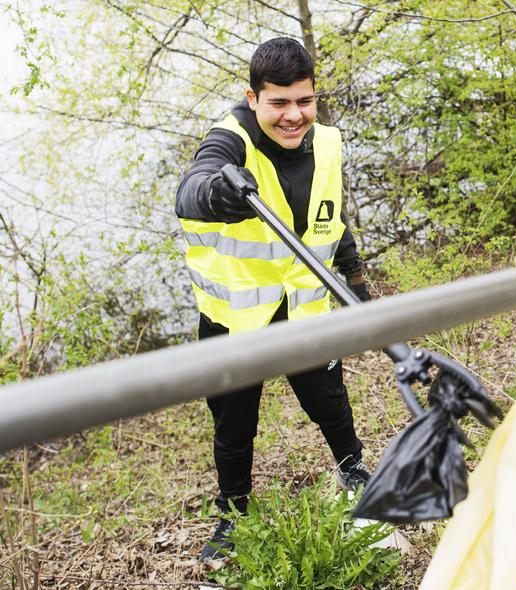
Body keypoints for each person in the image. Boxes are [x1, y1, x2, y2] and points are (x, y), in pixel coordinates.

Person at [175, 37, 374, 561]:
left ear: (314, 96)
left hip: (305, 307)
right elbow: (191, 188)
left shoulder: (327, 142)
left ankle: (354, 471)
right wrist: (218, 192)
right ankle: (232, 515)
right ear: (253, 97)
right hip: (237, 317)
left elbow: (331, 217)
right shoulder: (229, 140)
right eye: (279, 103)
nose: (293, 116)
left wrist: (355, 280)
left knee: (329, 400)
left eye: (303, 101)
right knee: (234, 422)